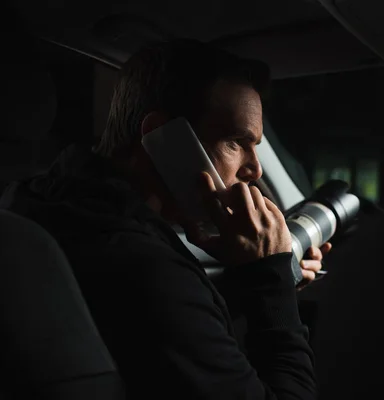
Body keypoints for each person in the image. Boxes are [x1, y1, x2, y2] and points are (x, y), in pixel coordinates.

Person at [1, 38, 330, 399]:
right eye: (237, 142)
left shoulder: (32, 200)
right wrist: (274, 288)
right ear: (162, 134)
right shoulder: (142, 265)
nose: (254, 169)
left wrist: (253, 283)